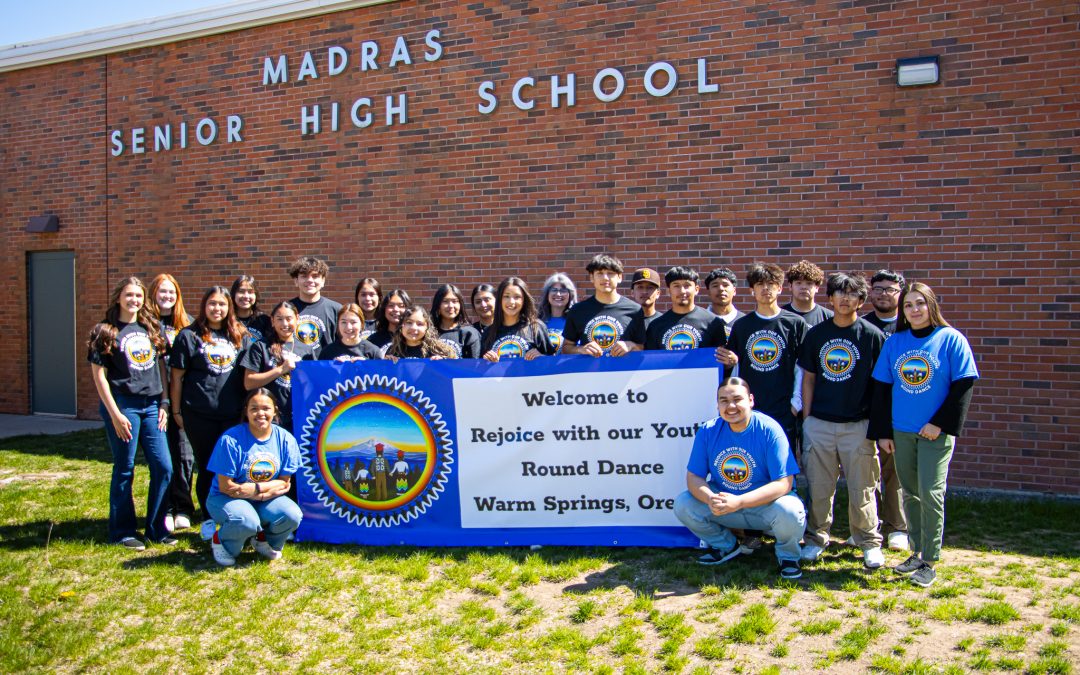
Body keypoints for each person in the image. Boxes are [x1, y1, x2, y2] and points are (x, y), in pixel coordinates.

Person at [870, 282, 978, 587]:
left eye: (920, 303)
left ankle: (930, 559)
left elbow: (963, 387)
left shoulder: (951, 339)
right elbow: (881, 389)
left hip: (935, 433)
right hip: (901, 432)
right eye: (908, 305)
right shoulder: (895, 342)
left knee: (931, 493)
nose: (914, 310)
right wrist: (883, 432)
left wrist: (940, 424)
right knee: (910, 493)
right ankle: (916, 552)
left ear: (931, 305)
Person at [673, 377, 806, 579]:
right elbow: (694, 477)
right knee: (683, 504)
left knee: (790, 511)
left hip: (764, 506)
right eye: (724, 401)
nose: (731, 406)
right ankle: (725, 545)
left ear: (750, 400)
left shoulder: (769, 430)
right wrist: (710, 498)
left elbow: (784, 483)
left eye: (737, 399)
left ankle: (788, 556)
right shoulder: (708, 431)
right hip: (726, 503)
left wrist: (740, 501)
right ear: (717, 404)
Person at [797, 273, 887, 568]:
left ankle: (869, 542)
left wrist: (875, 424)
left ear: (861, 301)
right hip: (820, 423)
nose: (845, 299)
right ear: (831, 298)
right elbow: (808, 379)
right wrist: (808, 418)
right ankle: (815, 539)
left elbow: (881, 384)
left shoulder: (872, 335)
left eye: (852, 294)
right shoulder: (816, 335)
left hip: (858, 425)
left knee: (863, 488)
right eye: (840, 293)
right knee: (819, 488)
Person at [88, 276, 174, 550]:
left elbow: (160, 366)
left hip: (151, 406)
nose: (134, 300)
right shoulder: (106, 330)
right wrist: (114, 413)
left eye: (138, 296)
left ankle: (156, 528)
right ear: (118, 298)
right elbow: (99, 376)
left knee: (163, 467)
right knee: (125, 468)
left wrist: (164, 402)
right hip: (123, 404)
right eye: (129, 295)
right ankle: (122, 531)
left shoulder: (151, 327)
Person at [169, 286, 250, 530]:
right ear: (204, 306)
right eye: (212, 303)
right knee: (206, 465)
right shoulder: (189, 336)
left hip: (232, 414)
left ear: (229, 308)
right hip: (199, 413)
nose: (217, 309)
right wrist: (176, 411)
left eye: (222, 304)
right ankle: (207, 516)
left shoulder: (240, 335)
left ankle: (229, 512)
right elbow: (176, 378)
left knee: (231, 466)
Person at [205, 388, 303, 566]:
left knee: (293, 515)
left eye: (266, 408)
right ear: (246, 411)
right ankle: (222, 541)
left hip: (264, 497)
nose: (260, 413)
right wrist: (259, 491)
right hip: (226, 498)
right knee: (246, 520)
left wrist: (256, 490)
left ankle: (263, 539)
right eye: (254, 408)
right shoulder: (231, 439)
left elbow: (285, 484)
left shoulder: (286, 439)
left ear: (275, 410)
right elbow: (226, 486)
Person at [719, 263, 809, 452]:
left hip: (784, 407)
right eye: (760, 284)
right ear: (752, 290)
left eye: (771, 284)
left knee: (783, 461)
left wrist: (795, 403)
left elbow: (803, 367)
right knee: (752, 458)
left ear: (780, 288)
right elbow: (736, 368)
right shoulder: (742, 326)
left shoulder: (794, 323)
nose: (766, 289)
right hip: (751, 407)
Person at [860, 269, 909, 552]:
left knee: (895, 472)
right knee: (867, 473)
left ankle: (897, 527)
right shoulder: (862, 324)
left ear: (900, 292)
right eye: (877, 288)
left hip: (898, 411)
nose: (882, 294)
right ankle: (869, 525)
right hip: (865, 410)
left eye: (889, 289)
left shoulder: (907, 327)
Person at [147, 273, 195, 532]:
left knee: (184, 455)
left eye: (172, 293)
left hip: (183, 399)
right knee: (162, 458)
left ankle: (183, 507)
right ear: (153, 294)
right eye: (162, 292)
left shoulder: (186, 325)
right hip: (155, 399)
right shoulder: (144, 325)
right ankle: (164, 507)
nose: (167, 297)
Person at [240, 301, 319, 434]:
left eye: (289, 319)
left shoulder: (306, 350)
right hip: (269, 418)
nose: (285, 324)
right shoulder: (261, 347)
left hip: (298, 417)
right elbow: (249, 382)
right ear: (272, 321)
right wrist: (281, 370)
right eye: (279, 319)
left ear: (297, 319)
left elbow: (314, 383)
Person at [562, 254, 645, 357]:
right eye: (600, 273)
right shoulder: (578, 310)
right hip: (589, 372)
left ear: (619, 277)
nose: (605, 278)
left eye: (610, 273)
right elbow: (566, 348)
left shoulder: (635, 310)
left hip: (623, 371)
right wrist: (581, 349)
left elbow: (643, 348)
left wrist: (631, 345)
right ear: (592, 277)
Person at [645, 266, 728, 351]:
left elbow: (720, 359)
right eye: (676, 286)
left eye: (687, 285)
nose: (682, 291)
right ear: (668, 291)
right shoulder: (656, 326)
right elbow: (651, 361)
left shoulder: (712, 322)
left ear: (696, 289)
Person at [481, 277, 556, 361]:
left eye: (517, 297)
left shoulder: (536, 327)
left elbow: (552, 363)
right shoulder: (488, 332)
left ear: (524, 300)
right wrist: (487, 363)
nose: (511, 302)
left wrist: (541, 357)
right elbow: (479, 369)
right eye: (506, 296)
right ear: (500, 300)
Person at [288, 256, 341, 350]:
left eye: (315, 276)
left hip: (327, 364)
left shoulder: (336, 310)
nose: (310, 280)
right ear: (296, 281)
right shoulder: (286, 310)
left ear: (323, 281)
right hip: (295, 364)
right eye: (304, 276)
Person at [386, 306, 457, 360]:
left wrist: (444, 363)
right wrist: (386, 364)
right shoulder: (393, 350)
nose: (413, 328)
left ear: (427, 327)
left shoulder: (438, 350)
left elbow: (455, 371)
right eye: (409, 323)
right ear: (401, 326)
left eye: (419, 324)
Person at [431, 284, 482, 358]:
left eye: (455, 301)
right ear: (438, 305)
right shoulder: (429, 333)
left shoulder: (469, 333)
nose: (451, 305)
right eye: (445, 301)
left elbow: (475, 365)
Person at [319, 303, 384, 362]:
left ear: (361, 324)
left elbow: (381, 373)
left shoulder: (373, 351)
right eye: (344, 322)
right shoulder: (327, 352)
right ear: (338, 324)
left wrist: (367, 366)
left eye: (353, 322)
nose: (348, 327)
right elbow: (319, 374)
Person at [782, 260, 834, 327]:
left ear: (817, 287)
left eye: (809, 283)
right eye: (798, 283)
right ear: (790, 286)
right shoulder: (780, 317)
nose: (803, 287)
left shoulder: (829, 317)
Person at [538, 273, 578, 352]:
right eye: (554, 290)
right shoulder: (538, 322)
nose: (558, 294)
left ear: (570, 295)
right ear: (547, 294)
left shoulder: (576, 321)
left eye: (563, 290)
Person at [703, 267, 744, 339]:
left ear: (734, 291)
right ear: (708, 292)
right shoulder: (700, 320)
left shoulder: (744, 321)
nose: (721, 289)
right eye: (715, 286)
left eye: (725, 285)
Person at [366, 289, 411, 354]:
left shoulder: (414, 338)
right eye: (391, 305)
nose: (395, 309)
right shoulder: (372, 340)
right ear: (384, 309)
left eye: (401, 306)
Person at [231, 275, 271, 343]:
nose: (246, 296)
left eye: (250, 292)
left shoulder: (264, 320)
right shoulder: (227, 320)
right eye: (241, 291)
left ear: (256, 295)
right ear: (234, 294)